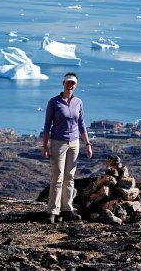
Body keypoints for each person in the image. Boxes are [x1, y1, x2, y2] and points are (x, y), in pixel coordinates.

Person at [42, 72, 93, 224]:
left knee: (69, 177)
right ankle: (52, 211)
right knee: (57, 177)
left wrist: (87, 144)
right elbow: (46, 126)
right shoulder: (54, 102)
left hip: (74, 143)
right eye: (68, 83)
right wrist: (44, 146)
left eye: (73, 84)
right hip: (58, 142)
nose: (70, 86)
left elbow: (82, 124)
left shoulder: (78, 102)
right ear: (63, 83)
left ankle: (67, 209)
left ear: (76, 86)